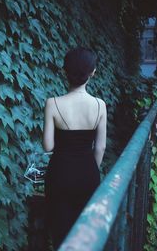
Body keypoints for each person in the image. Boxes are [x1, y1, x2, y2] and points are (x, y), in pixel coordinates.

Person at [42, 47, 107, 250]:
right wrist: (88, 169)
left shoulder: (52, 103)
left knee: (61, 234)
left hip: (59, 174)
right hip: (88, 174)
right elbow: (101, 147)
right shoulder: (100, 105)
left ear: (64, 72)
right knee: (85, 235)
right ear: (93, 73)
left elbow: (48, 146)